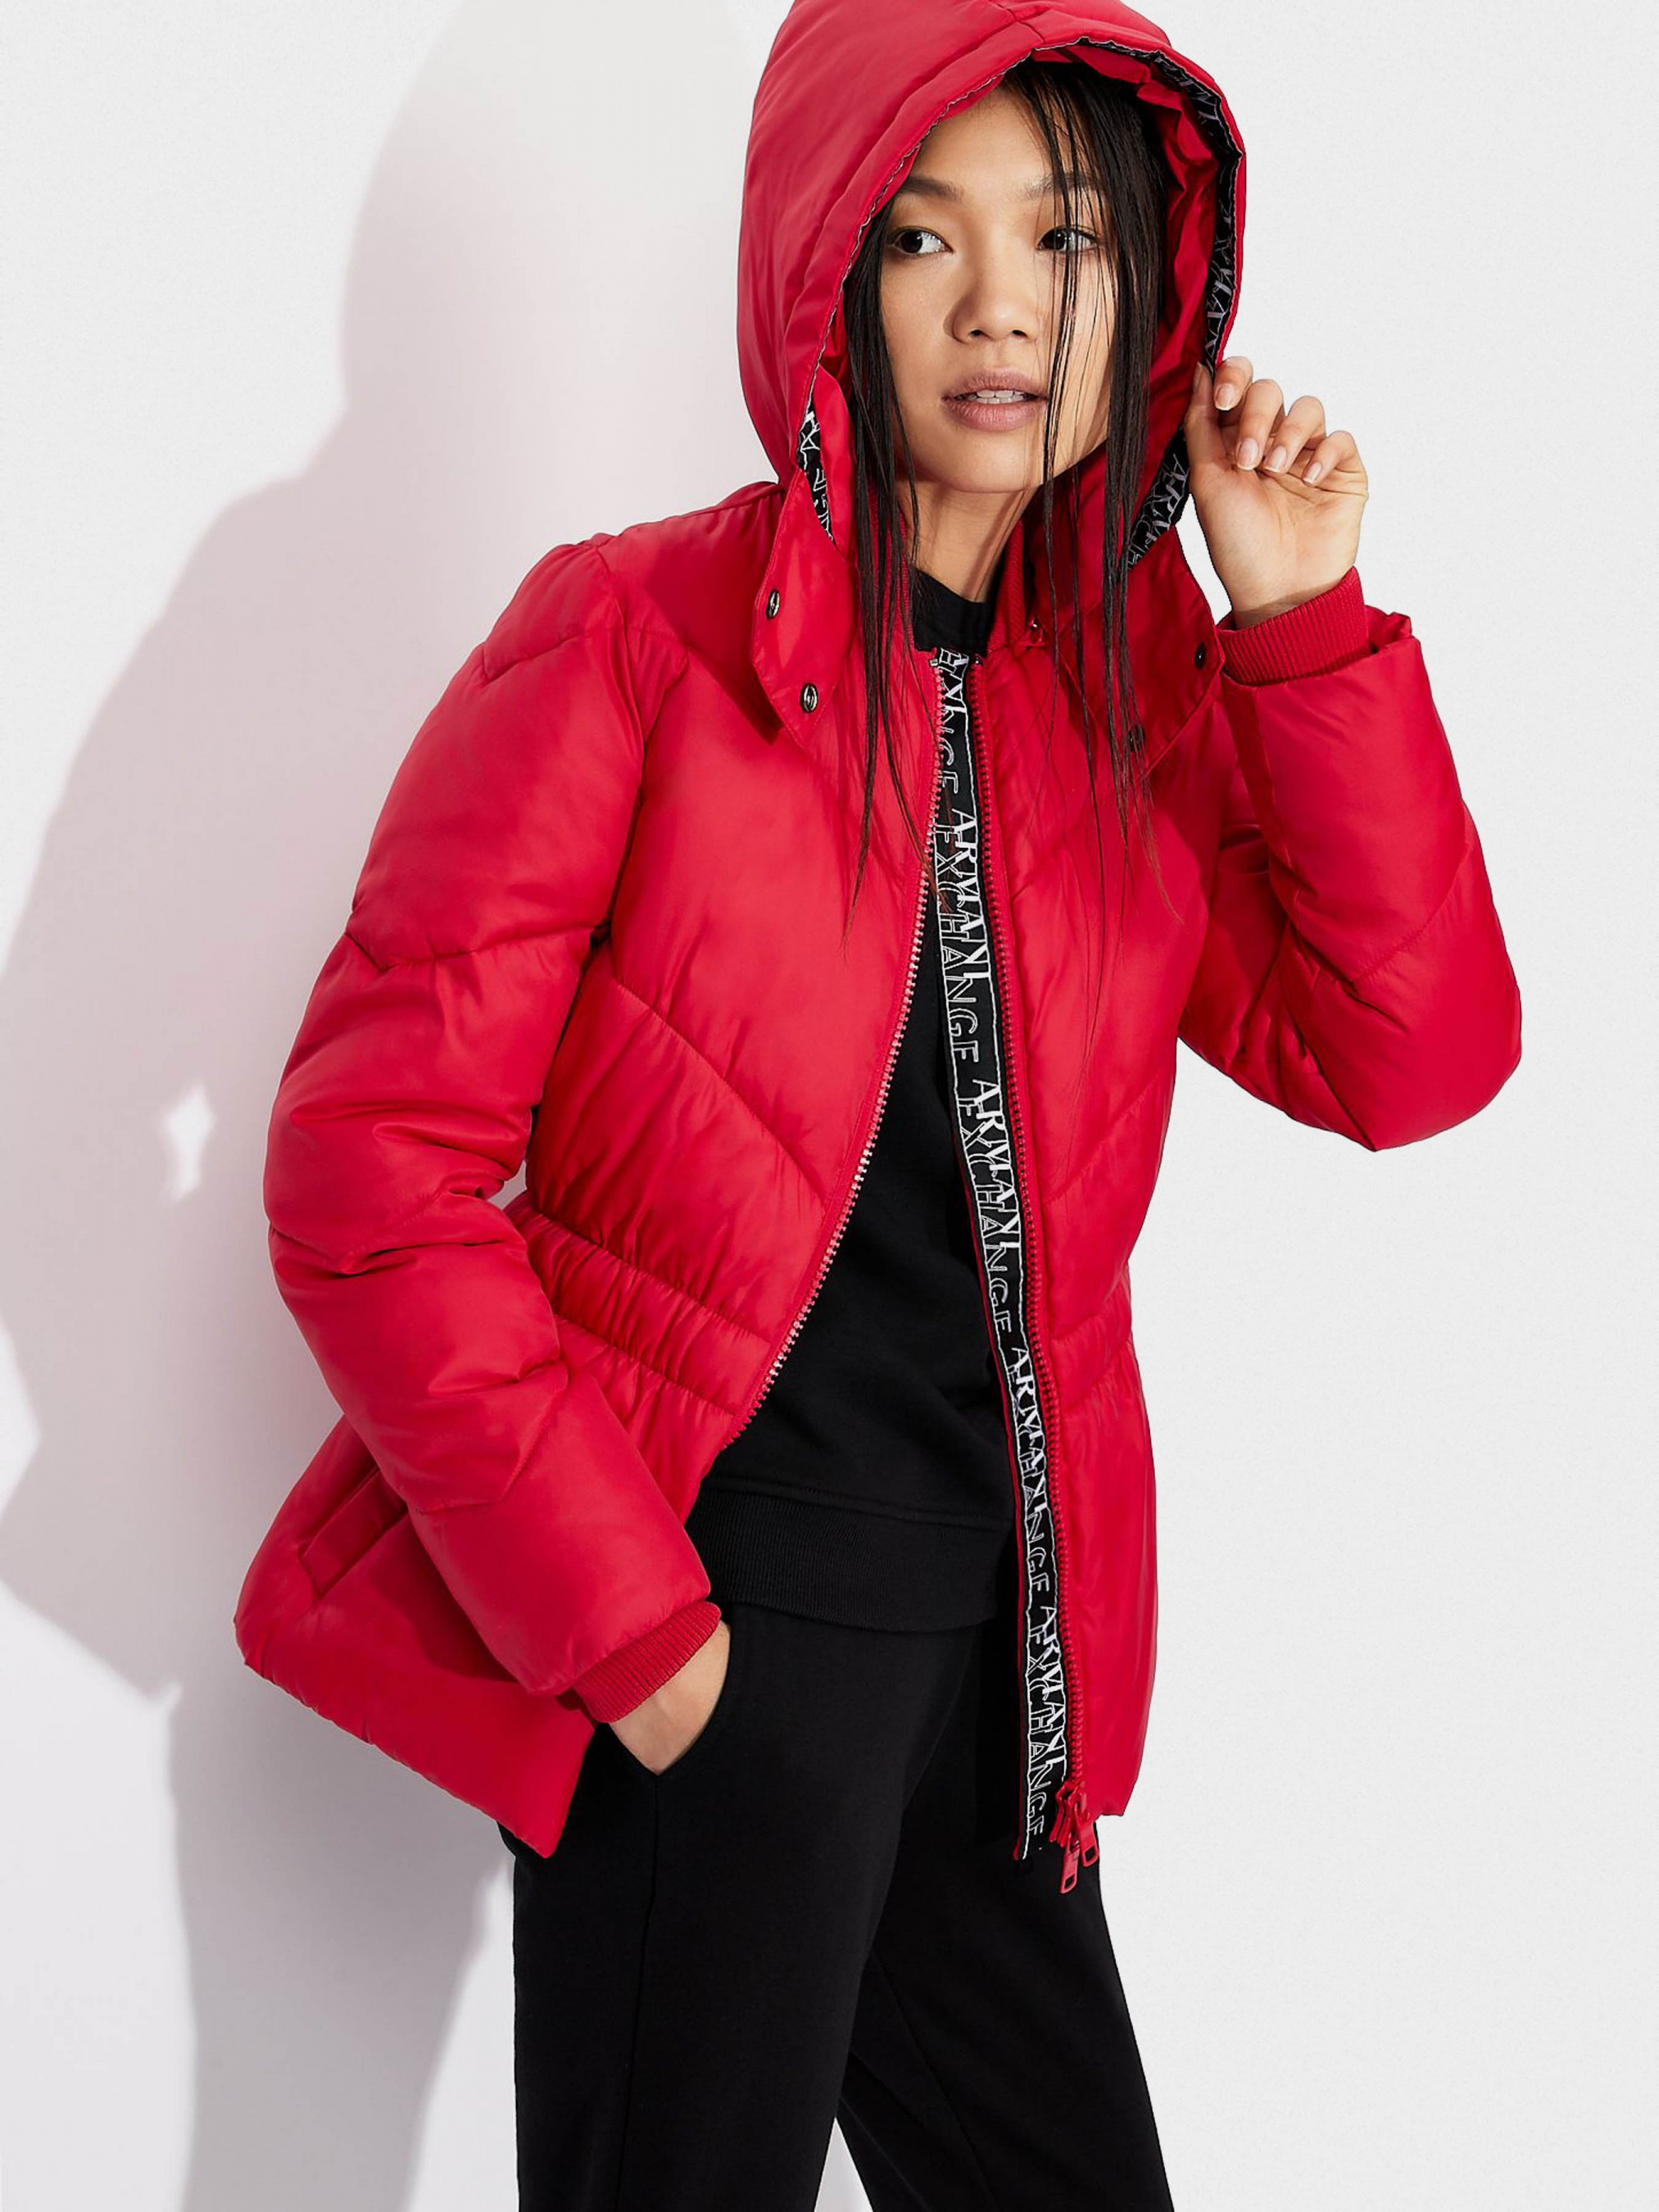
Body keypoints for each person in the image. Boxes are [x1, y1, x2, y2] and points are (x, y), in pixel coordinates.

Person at [234, 1, 1524, 2204]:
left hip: (1011, 1659)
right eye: (926, 235)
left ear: (1150, 291)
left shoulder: (1131, 688)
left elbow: (1407, 1057)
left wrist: (1300, 624)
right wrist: (638, 1646)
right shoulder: (630, 636)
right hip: (712, 1635)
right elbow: (367, 1173)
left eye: (1066, 239)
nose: (1003, 305)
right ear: (825, 268)